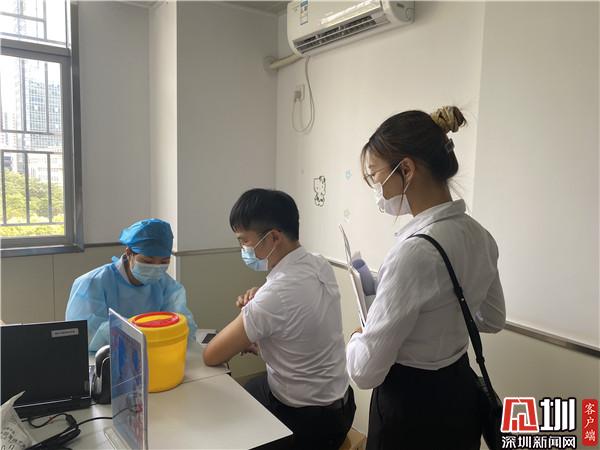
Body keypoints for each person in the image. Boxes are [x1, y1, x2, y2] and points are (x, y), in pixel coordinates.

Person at [346, 106, 506, 450]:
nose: (377, 189)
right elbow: (493, 318)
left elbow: (365, 372)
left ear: (406, 169)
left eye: (375, 176)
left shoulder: (412, 253)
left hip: (411, 410)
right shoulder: (480, 236)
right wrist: (443, 320)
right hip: (460, 396)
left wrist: (357, 337)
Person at [203, 189, 355, 450]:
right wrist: (261, 302)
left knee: (231, 419)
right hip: (342, 406)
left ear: (273, 237)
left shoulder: (274, 296)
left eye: (245, 241)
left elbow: (212, 355)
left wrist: (254, 311)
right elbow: (300, 327)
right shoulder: (318, 264)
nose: (243, 249)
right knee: (254, 386)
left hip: (310, 426)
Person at [66, 218, 198, 351]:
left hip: (155, 355)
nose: (156, 267)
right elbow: (89, 336)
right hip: (105, 357)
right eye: (148, 261)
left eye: (164, 262)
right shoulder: (92, 283)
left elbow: (183, 326)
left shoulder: (167, 285)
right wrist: (138, 333)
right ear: (129, 253)